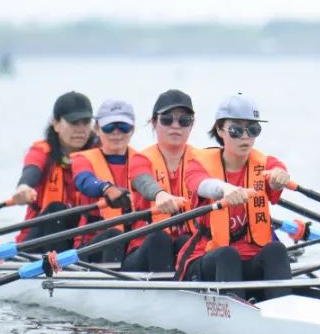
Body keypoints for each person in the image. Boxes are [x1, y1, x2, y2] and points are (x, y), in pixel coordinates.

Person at [177, 93, 293, 300]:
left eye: (253, 129)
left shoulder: (266, 164)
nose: (245, 137)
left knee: (276, 250)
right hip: (206, 259)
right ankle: (235, 311)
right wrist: (224, 189)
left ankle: (283, 307)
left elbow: (278, 171)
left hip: (249, 261)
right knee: (227, 255)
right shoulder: (198, 164)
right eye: (236, 130)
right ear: (220, 130)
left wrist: (278, 179)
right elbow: (201, 184)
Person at [12, 91, 98, 251]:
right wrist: (24, 186)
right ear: (56, 124)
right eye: (74, 122)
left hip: (83, 240)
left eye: (85, 122)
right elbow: (32, 169)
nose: (80, 130)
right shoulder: (42, 151)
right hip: (38, 241)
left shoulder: (100, 152)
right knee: (56, 210)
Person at [123, 89, 198, 272]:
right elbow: (142, 180)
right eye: (167, 119)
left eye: (184, 120)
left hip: (186, 247)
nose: (175, 126)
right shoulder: (140, 159)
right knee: (159, 238)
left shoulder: (202, 160)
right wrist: (159, 194)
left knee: (187, 241)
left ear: (191, 125)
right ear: (154, 122)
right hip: (143, 251)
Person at [69, 99, 142, 263]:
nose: (116, 133)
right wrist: (106, 188)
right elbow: (84, 181)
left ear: (133, 129)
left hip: (131, 245)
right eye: (109, 127)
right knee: (113, 235)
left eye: (123, 127)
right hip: (90, 248)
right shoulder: (83, 159)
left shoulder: (142, 161)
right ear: (97, 129)